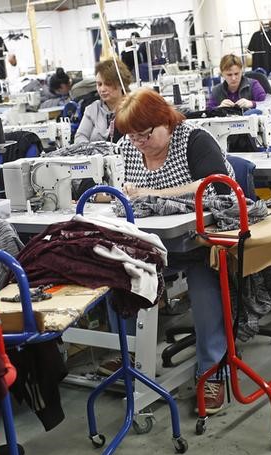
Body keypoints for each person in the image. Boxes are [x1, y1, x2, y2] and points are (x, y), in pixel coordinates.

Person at [115, 88, 235, 414]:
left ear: (164, 120)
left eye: (144, 134)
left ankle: (212, 371)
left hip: (199, 240)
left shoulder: (193, 140)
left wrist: (150, 192)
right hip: (147, 242)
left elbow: (215, 183)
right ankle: (127, 360)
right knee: (117, 272)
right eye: (132, 136)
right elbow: (113, 188)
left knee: (202, 278)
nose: (138, 142)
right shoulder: (126, 147)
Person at [74, 59, 132, 144]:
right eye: (99, 84)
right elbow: (80, 137)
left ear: (120, 83)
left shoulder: (132, 108)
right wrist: (93, 151)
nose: (102, 89)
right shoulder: (92, 109)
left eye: (108, 84)